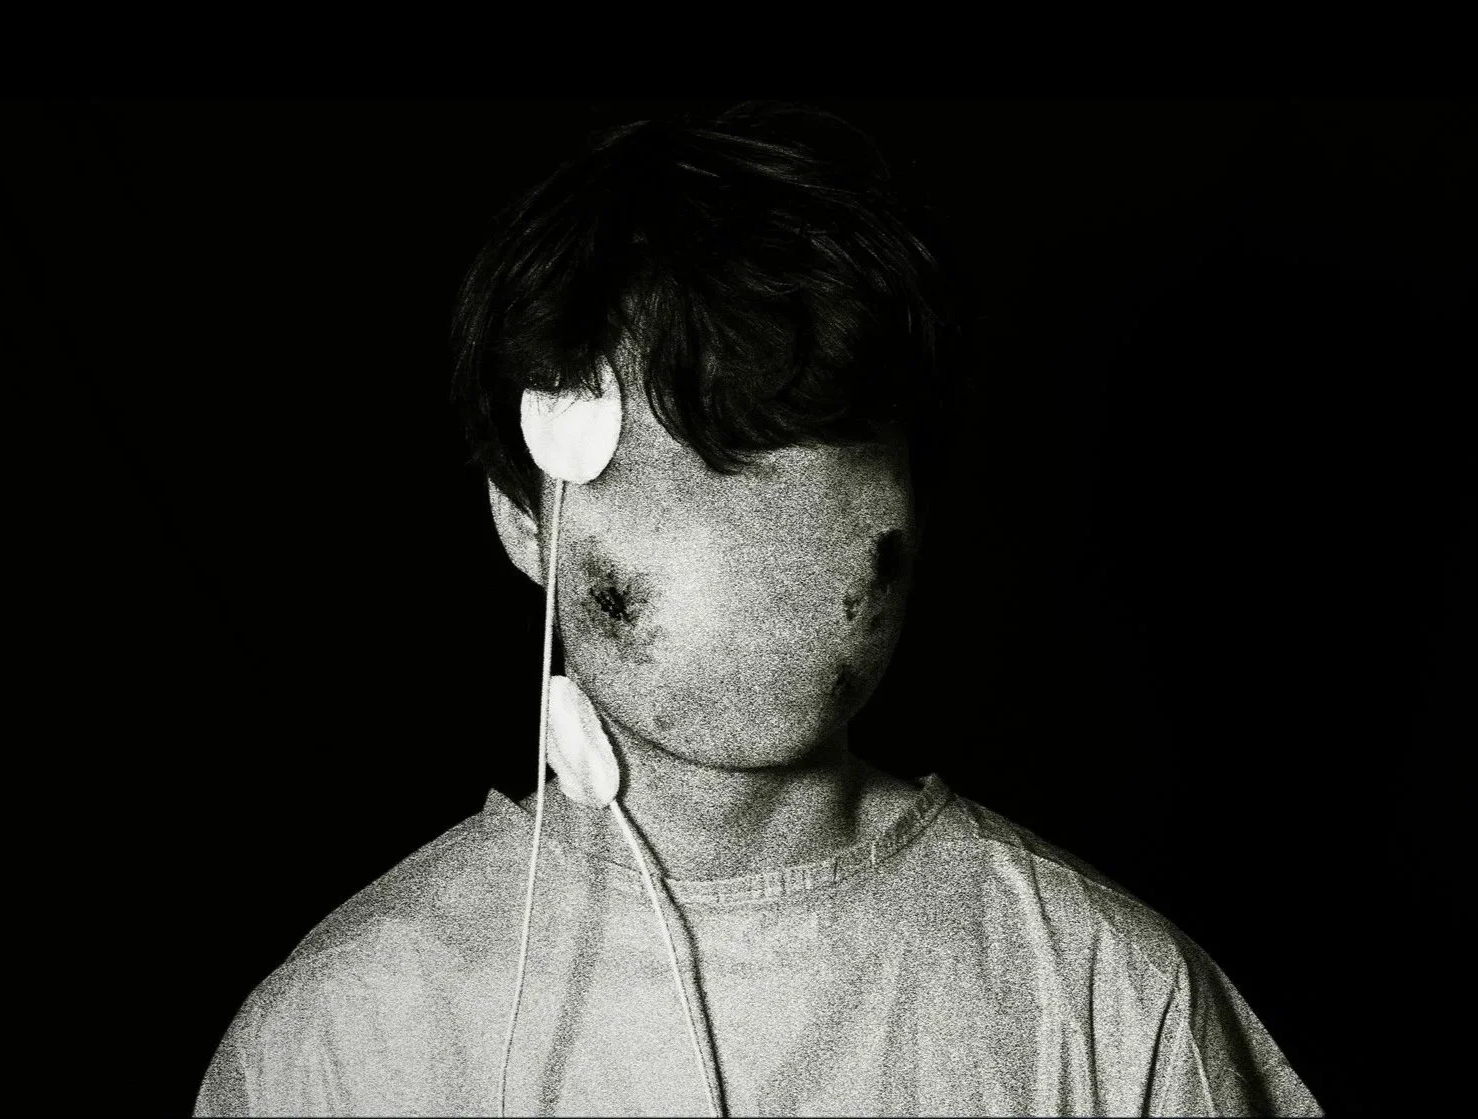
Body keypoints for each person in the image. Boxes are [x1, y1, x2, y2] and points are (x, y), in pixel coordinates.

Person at [194, 101, 1322, 1117]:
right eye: (694, 459)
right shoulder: (337, 1038)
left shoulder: (1112, 997)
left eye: (820, 453)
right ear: (523, 520)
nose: (764, 549)